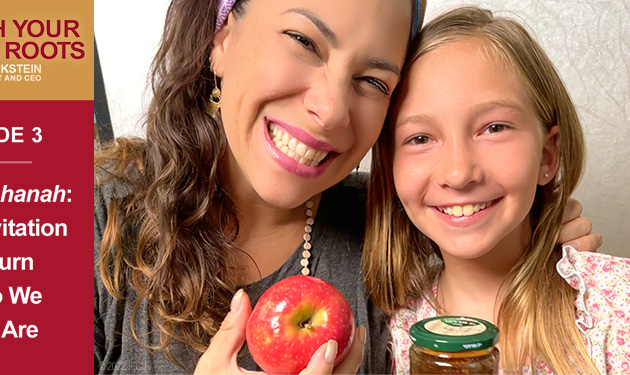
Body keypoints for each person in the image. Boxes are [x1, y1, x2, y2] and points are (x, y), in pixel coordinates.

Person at [94, 1, 599, 374]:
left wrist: (550, 234)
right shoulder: (70, 207)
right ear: (221, 36)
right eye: (304, 42)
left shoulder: (389, 226)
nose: (332, 110)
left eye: (374, 82)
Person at [363, 6, 627, 374]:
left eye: (494, 128)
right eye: (420, 138)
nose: (458, 173)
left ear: (547, 155)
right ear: (389, 168)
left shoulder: (618, 307)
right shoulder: (381, 337)